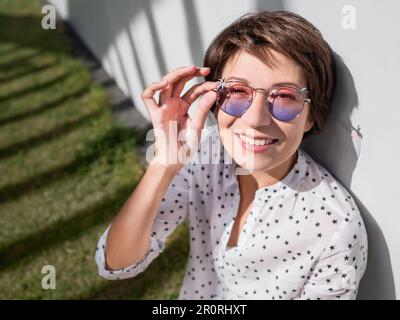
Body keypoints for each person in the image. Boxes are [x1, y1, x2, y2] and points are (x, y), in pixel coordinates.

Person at [95, 10, 368, 300]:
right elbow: (116, 264)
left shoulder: (335, 228)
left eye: (286, 96)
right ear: (213, 97)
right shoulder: (206, 154)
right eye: (237, 91)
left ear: (312, 116)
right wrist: (163, 164)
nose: (255, 119)